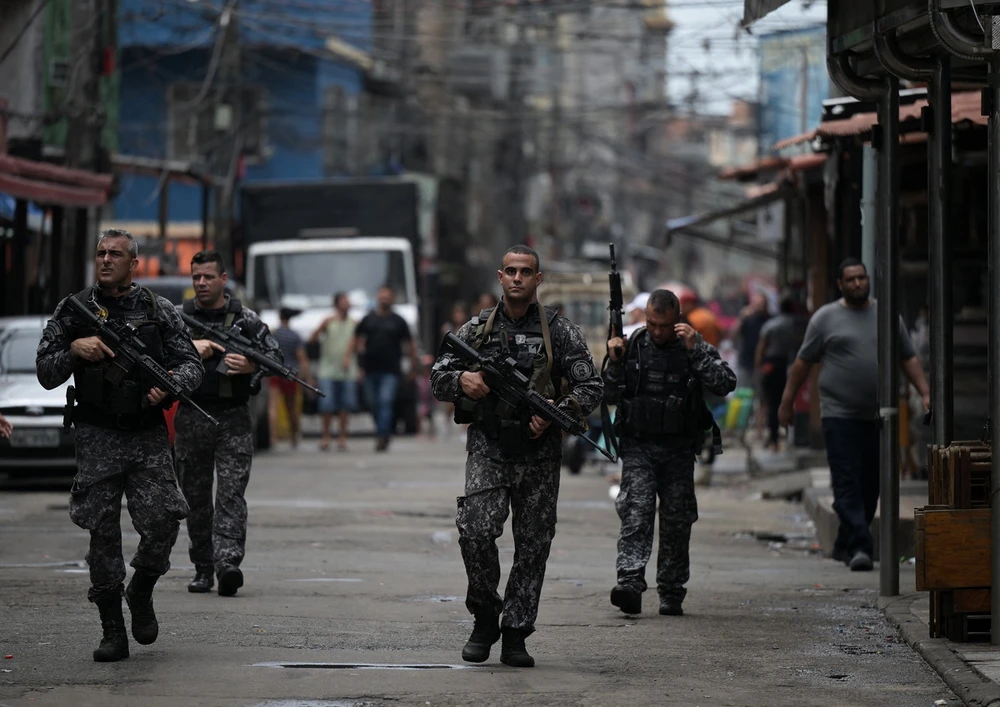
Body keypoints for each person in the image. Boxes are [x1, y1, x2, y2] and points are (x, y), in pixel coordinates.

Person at [430, 245, 604, 668]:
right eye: (510, 271)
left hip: (539, 455)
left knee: (533, 546)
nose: (517, 278)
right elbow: (437, 378)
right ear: (500, 276)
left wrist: (557, 414)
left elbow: (591, 386)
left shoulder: (560, 331)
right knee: (474, 531)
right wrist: (463, 381)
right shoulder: (475, 329)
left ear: (538, 279)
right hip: (488, 448)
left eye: (526, 271)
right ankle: (486, 614)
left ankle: (516, 633)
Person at [35, 228, 203, 662]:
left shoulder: (157, 309)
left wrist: (169, 388)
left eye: (116, 254)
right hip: (97, 437)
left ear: (135, 263)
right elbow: (45, 372)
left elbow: (190, 363)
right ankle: (112, 629)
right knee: (102, 535)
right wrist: (75, 349)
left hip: (146, 437)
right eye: (101, 253)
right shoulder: (74, 311)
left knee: (166, 518)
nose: (106, 260)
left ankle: (142, 587)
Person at [778, 258, 930, 572]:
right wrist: (787, 401)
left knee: (871, 483)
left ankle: (844, 543)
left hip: (879, 414)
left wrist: (926, 391)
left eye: (862, 278)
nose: (858, 283)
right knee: (846, 480)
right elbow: (803, 363)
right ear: (840, 284)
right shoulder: (825, 318)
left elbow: (908, 357)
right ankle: (862, 545)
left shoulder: (887, 316)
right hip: (838, 413)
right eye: (851, 279)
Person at [604, 289, 736, 618]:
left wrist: (696, 353)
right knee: (637, 512)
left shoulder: (692, 344)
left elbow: (725, 383)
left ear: (677, 320)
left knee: (677, 520)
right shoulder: (631, 344)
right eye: (652, 324)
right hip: (639, 447)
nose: (658, 332)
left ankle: (672, 589)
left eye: (664, 325)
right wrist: (615, 361)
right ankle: (630, 583)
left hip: (678, 449)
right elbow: (605, 392)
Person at [176, 250, 282, 597]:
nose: (201, 284)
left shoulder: (245, 319)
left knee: (231, 495)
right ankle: (202, 567)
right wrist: (194, 348)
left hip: (233, 418)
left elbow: (276, 358)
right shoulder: (179, 318)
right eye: (196, 278)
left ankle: (227, 565)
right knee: (195, 496)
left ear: (223, 279)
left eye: (208, 277)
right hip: (192, 415)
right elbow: (158, 353)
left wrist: (251, 366)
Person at [347, 285, 417, 452]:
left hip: (391, 370)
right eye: (382, 296)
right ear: (378, 298)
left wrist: (413, 366)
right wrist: (352, 359)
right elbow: (356, 339)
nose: (384, 299)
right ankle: (383, 429)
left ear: (392, 299)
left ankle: (382, 435)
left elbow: (410, 344)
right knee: (373, 404)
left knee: (385, 401)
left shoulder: (398, 321)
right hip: (370, 369)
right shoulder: (368, 319)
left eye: (387, 296)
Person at [310, 292, 358, 452]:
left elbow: (359, 344)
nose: (348, 304)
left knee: (346, 405)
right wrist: (321, 326)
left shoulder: (354, 324)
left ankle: (342, 437)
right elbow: (312, 339)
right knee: (326, 405)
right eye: (345, 301)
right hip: (327, 370)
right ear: (337, 303)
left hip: (347, 370)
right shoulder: (328, 321)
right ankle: (326, 436)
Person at [754, 295, 798, 452]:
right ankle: (789, 436)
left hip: (771, 365)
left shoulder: (771, 325)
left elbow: (761, 347)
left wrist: (758, 368)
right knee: (789, 401)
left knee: (772, 404)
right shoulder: (796, 324)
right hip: (792, 364)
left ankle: (774, 440)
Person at [268, 308, 310, 448]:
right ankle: (294, 436)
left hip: (274, 371)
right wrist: (307, 377)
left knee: (272, 406)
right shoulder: (294, 336)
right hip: (290, 373)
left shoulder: (274, 334)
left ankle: (273, 437)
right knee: (291, 407)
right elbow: (302, 357)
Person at [733, 291, 770, 389]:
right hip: (746, 362)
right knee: (744, 394)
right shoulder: (747, 319)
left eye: (763, 304)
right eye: (758, 304)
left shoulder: (770, 320)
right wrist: (741, 318)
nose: (760, 307)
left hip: (764, 364)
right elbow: (733, 335)